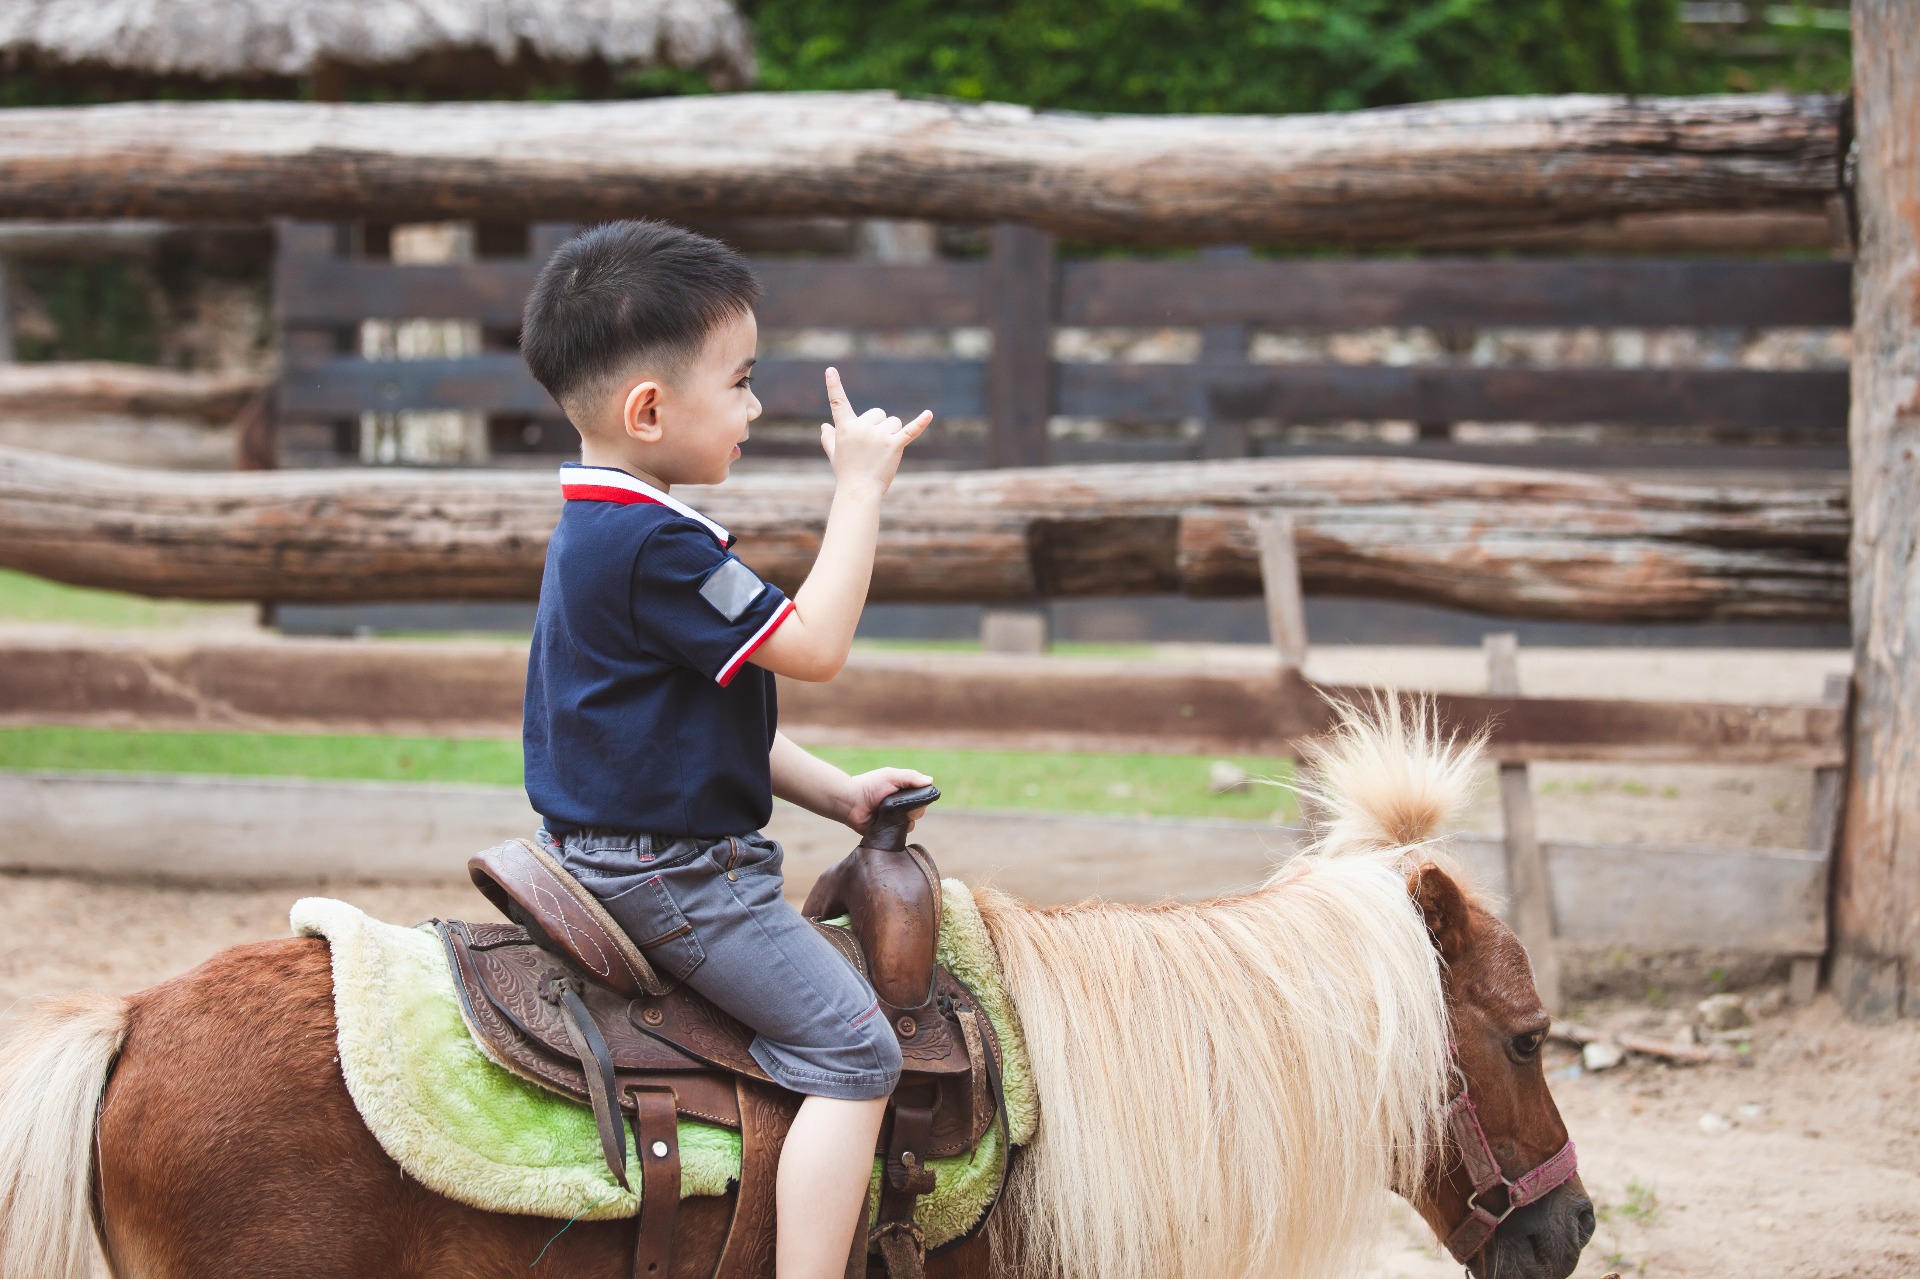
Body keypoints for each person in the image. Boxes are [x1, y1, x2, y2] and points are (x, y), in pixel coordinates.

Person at [517, 220, 933, 1278]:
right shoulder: (658, 544)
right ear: (648, 410)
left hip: (624, 845)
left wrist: (838, 794)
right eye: (742, 383)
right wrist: (861, 490)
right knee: (855, 1051)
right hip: (679, 879)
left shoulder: (602, 526)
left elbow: (703, 721)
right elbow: (814, 647)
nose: (755, 409)